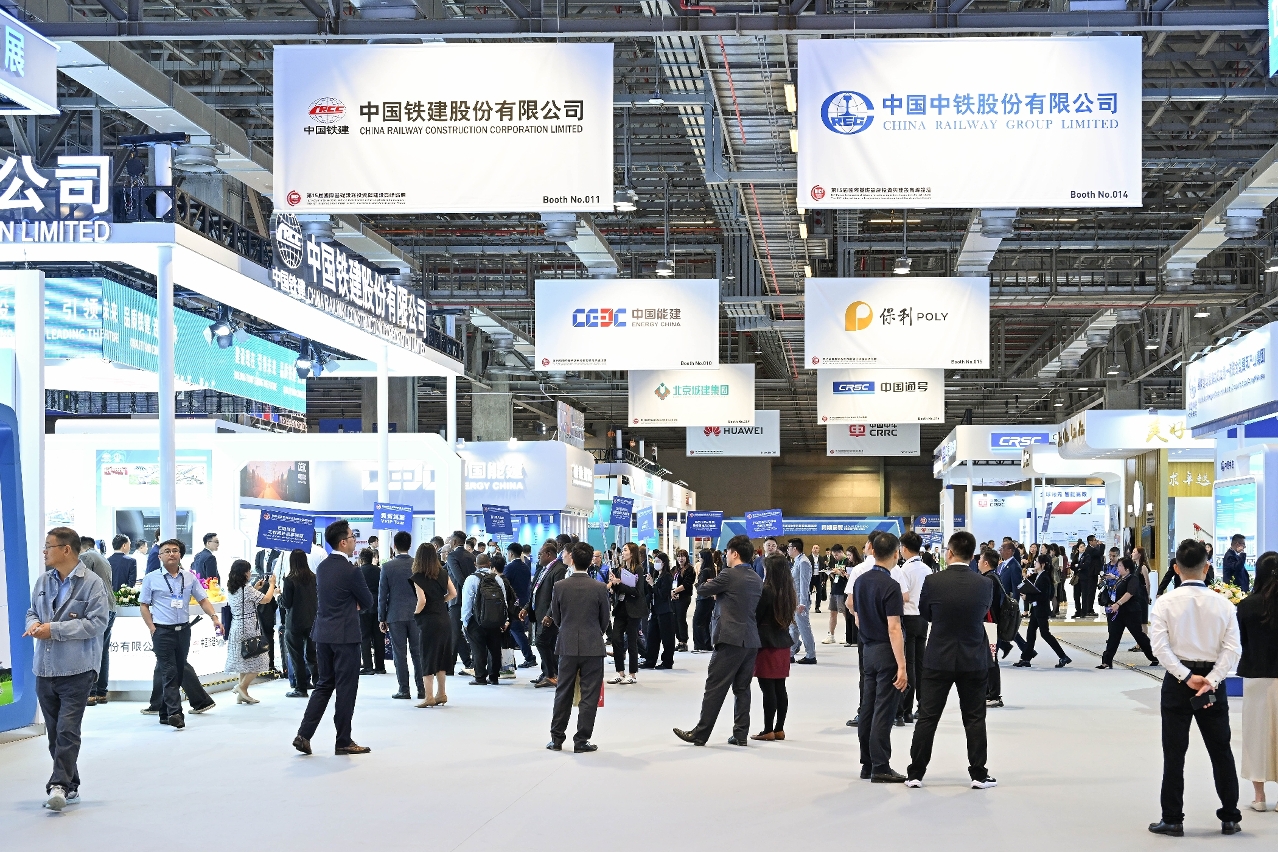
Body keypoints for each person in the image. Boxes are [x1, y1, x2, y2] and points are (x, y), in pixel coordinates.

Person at [1147, 538, 1243, 836]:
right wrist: (1211, 679)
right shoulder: (1223, 604)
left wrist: (1186, 676)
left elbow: (1159, 648)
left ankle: (1172, 818)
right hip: (1212, 684)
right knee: (1221, 749)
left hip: (1178, 683)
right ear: (1207, 568)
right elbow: (1233, 649)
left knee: (1174, 752)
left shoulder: (1165, 603)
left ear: (1176, 568)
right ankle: (1230, 817)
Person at [24, 526, 111, 811]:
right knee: (55, 732)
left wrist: (54, 629)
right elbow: (32, 611)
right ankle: (71, 785)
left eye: (48, 546)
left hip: (78, 669)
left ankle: (58, 785)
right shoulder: (43, 580)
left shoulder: (92, 583)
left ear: (66, 549)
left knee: (67, 730)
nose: (44, 552)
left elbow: (97, 623)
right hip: (45, 669)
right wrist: (33, 625)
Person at [905, 531, 1000, 789]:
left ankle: (915, 774)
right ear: (973, 556)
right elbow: (984, 611)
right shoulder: (984, 584)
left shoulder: (933, 581)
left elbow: (925, 613)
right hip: (974, 657)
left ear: (949, 553)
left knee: (928, 716)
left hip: (938, 656)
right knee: (974, 717)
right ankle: (978, 774)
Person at [674, 534, 764, 747]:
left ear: (735, 554)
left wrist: (706, 579)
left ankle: (701, 733)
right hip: (751, 639)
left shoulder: (729, 574)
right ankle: (740, 733)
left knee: (715, 686)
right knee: (742, 688)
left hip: (730, 638)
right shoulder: (756, 578)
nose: (726, 556)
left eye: (727, 553)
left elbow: (702, 589)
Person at [294, 520, 374, 756]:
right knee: (346, 688)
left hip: (323, 633)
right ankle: (343, 740)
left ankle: (303, 735)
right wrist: (355, 603)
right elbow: (368, 601)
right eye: (351, 537)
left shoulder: (323, 568)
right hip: (345, 636)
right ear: (343, 542)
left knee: (324, 684)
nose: (354, 541)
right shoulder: (351, 571)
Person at [138, 538, 224, 729]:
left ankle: (164, 713)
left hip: (184, 630)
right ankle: (175, 713)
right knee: (169, 671)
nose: (171, 554)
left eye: (175, 550)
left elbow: (203, 600)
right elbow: (144, 605)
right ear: (160, 556)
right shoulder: (151, 578)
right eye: (167, 551)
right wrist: (152, 628)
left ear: (180, 555)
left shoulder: (189, 577)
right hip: (162, 631)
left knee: (176, 670)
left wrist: (214, 617)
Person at [851, 531, 909, 782]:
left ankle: (867, 763)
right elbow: (894, 628)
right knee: (884, 710)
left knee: (868, 707)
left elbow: (856, 615)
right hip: (887, 652)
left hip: (868, 650)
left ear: (872, 551)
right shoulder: (891, 586)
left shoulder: (860, 581)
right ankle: (881, 765)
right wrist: (902, 666)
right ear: (896, 554)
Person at [547, 542, 612, 753]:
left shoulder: (560, 586)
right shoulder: (600, 588)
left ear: (572, 560)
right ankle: (581, 740)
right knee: (589, 694)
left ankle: (556, 739)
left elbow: (557, 617)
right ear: (591, 561)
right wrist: (594, 632)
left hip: (566, 644)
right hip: (593, 645)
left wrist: (567, 630)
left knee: (563, 692)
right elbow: (605, 619)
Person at [1237, 551, 1278, 812]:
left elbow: (1243, 642)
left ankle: (1259, 797)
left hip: (1255, 675)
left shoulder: (1246, 605)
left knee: (1255, 736)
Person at [751, 552, 796, 741]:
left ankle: (767, 729)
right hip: (783, 643)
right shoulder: (788, 592)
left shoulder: (766, 591)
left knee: (767, 689)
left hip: (766, 644)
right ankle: (779, 729)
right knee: (780, 687)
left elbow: (756, 616)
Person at [460, 553, 518, 686]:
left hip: (476, 620)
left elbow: (467, 602)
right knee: (495, 648)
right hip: (495, 619)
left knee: (478, 649)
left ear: (475, 564)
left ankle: (480, 677)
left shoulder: (471, 579)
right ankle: (494, 677)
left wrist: (465, 621)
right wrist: (504, 619)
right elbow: (504, 601)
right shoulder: (497, 578)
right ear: (489, 564)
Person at [410, 542, 457, 707]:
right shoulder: (443, 573)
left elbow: (422, 600)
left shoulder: (417, 577)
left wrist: (416, 613)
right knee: (442, 657)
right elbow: (453, 593)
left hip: (429, 621)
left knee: (427, 656)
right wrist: (440, 601)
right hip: (444, 618)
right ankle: (441, 693)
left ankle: (429, 696)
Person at [378, 532, 424, 699]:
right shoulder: (418, 565)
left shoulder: (387, 567)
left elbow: (382, 595)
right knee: (418, 653)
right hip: (417, 614)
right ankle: (422, 689)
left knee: (399, 654)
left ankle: (404, 689)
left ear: (394, 546)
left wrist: (381, 618)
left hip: (395, 615)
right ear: (410, 546)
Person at [225, 558, 276, 704]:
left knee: (244, 661)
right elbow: (266, 599)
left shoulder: (232, 588)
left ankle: (243, 694)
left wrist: (255, 588)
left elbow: (246, 600)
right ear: (244, 573)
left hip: (237, 626)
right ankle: (241, 687)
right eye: (248, 571)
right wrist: (272, 585)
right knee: (261, 660)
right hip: (249, 627)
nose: (250, 573)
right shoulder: (246, 589)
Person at [1097, 556, 1158, 668]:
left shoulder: (1133, 579)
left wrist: (1118, 604)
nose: (1118, 568)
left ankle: (1154, 656)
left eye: (1120, 566)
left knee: (1139, 636)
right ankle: (1106, 661)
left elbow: (1129, 593)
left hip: (1131, 612)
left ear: (1127, 568)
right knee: (1113, 636)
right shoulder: (1120, 579)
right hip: (1118, 613)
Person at [76, 536, 115, 708]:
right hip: (109, 607)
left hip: (96, 609)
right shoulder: (103, 558)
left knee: (91, 650)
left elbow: (80, 583)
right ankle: (101, 692)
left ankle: (90, 693)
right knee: (102, 651)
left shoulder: (86, 557)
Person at [1014, 554, 1071, 669]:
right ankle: (1026, 659)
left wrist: (1028, 597)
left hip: (1041, 610)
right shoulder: (1039, 575)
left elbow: (1045, 596)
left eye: (1037, 562)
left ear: (1043, 564)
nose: (1035, 563)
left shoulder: (1044, 577)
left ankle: (1063, 656)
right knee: (1031, 633)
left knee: (1045, 634)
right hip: (1036, 609)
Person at [897, 531, 930, 725]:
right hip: (923, 619)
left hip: (908, 619)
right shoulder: (927, 569)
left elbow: (903, 596)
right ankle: (923, 706)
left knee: (908, 664)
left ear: (905, 548)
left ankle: (906, 711)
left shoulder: (904, 570)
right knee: (920, 664)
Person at [607, 542, 649, 684]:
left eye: (625, 550)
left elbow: (638, 591)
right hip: (621, 608)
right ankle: (620, 672)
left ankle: (632, 674)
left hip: (634, 610)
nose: (623, 553)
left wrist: (620, 584)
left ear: (632, 553)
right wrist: (614, 584)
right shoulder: (621, 569)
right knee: (616, 639)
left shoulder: (638, 569)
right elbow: (619, 590)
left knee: (632, 641)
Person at [528, 540, 568, 687]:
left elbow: (557, 595)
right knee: (549, 644)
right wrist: (526, 607)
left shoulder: (559, 569)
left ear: (549, 554)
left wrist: (550, 614)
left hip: (549, 615)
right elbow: (535, 590)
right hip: (539, 613)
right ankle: (549, 673)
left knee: (541, 641)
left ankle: (551, 675)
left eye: (540, 554)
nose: (538, 557)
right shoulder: (543, 569)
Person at [281, 550, 318, 699]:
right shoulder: (314, 577)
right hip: (312, 620)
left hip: (294, 622)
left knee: (296, 656)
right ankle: (319, 684)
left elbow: (286, 603)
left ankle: (301, 688)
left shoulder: (289, 580)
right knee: (312, 655)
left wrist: (278, 596)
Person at [977, 549, 1008, 709]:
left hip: (989, 624)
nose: (978, 562)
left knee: (991, 659)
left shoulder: (988, 580)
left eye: (980, 559)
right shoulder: (994, 577)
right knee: (988, 658)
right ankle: (989, 692)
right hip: (992, 623)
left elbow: (985, 604)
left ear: (986, 562)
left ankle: (994, 694)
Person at [445, 530, 476, 675]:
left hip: (456, 599)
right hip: (470, 598)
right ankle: (468, 662)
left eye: (451, 540)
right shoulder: (471, 556)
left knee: (453, 632)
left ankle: (449, 666)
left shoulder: (452, 556)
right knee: (461, 632)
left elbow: (459, 578)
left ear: (455, 541)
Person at [504, 542, 538, 669]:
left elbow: (505, 584)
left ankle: (530, 657)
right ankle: (510, 660)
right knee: (515, 631)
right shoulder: (525, 566)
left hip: (513, 604)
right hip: (524, 602)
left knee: (516, 630)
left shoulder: (510, 568)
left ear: (511, 554)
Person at [641, 550, 677, 669]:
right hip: (655, 611)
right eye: (655, 561)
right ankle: (650, 660)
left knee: (667, 638)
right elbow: (652, 592)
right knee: (652, 637)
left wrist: (653, 585)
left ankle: (667, 662)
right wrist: (649, 584)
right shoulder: (657, 576)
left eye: (658, 561)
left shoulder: (667, 577)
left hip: (665, 611)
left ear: (664, 563)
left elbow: (663, 594)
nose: (656, 563)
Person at [788, 538, 818, 664]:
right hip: (794, 600)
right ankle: (790, 653)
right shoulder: (797, 561)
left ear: (794, 548)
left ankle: (811, 655)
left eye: (789, 547)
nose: (788, 550)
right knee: (793, 628)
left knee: (804, 628)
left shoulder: (804, 562)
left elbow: (804, 584)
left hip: (800, 601)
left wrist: (802, 603)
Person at [356, 548, 385, 675]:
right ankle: (380, 666)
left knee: (365, 636)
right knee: (378, 637)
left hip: (363, 607)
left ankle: (368, 666)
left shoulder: (358, 571)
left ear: (361, 559)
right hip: (378, 606)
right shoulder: (378, 570)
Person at [824, 544, 851, 645]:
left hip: (843, 591)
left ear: (841, 552)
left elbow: (849, 576)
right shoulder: (836, 561)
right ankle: (831, 635)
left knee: (845, 614)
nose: (835, 557)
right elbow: (836, 576)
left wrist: (840, 573)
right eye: (833, 555)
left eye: (836, 555)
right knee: (832, 613)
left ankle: (848, 635)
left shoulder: (848, 561)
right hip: (834, 589)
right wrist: (831, 573)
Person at [692, 549, 717, 652]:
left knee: (697, 621)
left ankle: (699, 645)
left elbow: (700, 587)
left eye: (700, 557)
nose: (699, 559)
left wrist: (696, 584)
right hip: (710, 599)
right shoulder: (712, 569)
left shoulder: (705, 571)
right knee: (706, 622)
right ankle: (707, 644)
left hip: (703, 599)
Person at [672, 549, 696, 652]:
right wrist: (672, 593)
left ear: (686, 558)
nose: (680, 558)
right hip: (674, 597)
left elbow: (687, 584)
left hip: (684, 597)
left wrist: (675, 591)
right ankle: (679, 640)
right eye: (679, 556)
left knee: (681, 618)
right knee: (675, 619)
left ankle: (684, 641)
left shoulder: (689, 569)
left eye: (683, 556)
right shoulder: (675, 569)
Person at [811, 544, 828, 613]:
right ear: (812, 549)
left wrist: (824, 580)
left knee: (819, 593)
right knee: (808, 592)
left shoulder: (821, 558)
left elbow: (824, 569)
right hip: (811, 577)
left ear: (819, 550)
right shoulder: (808, 558)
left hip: (819, 577)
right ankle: (807, 605)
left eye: (817, 548)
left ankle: (817, 607)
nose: (815, 549)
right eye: (814, 548)